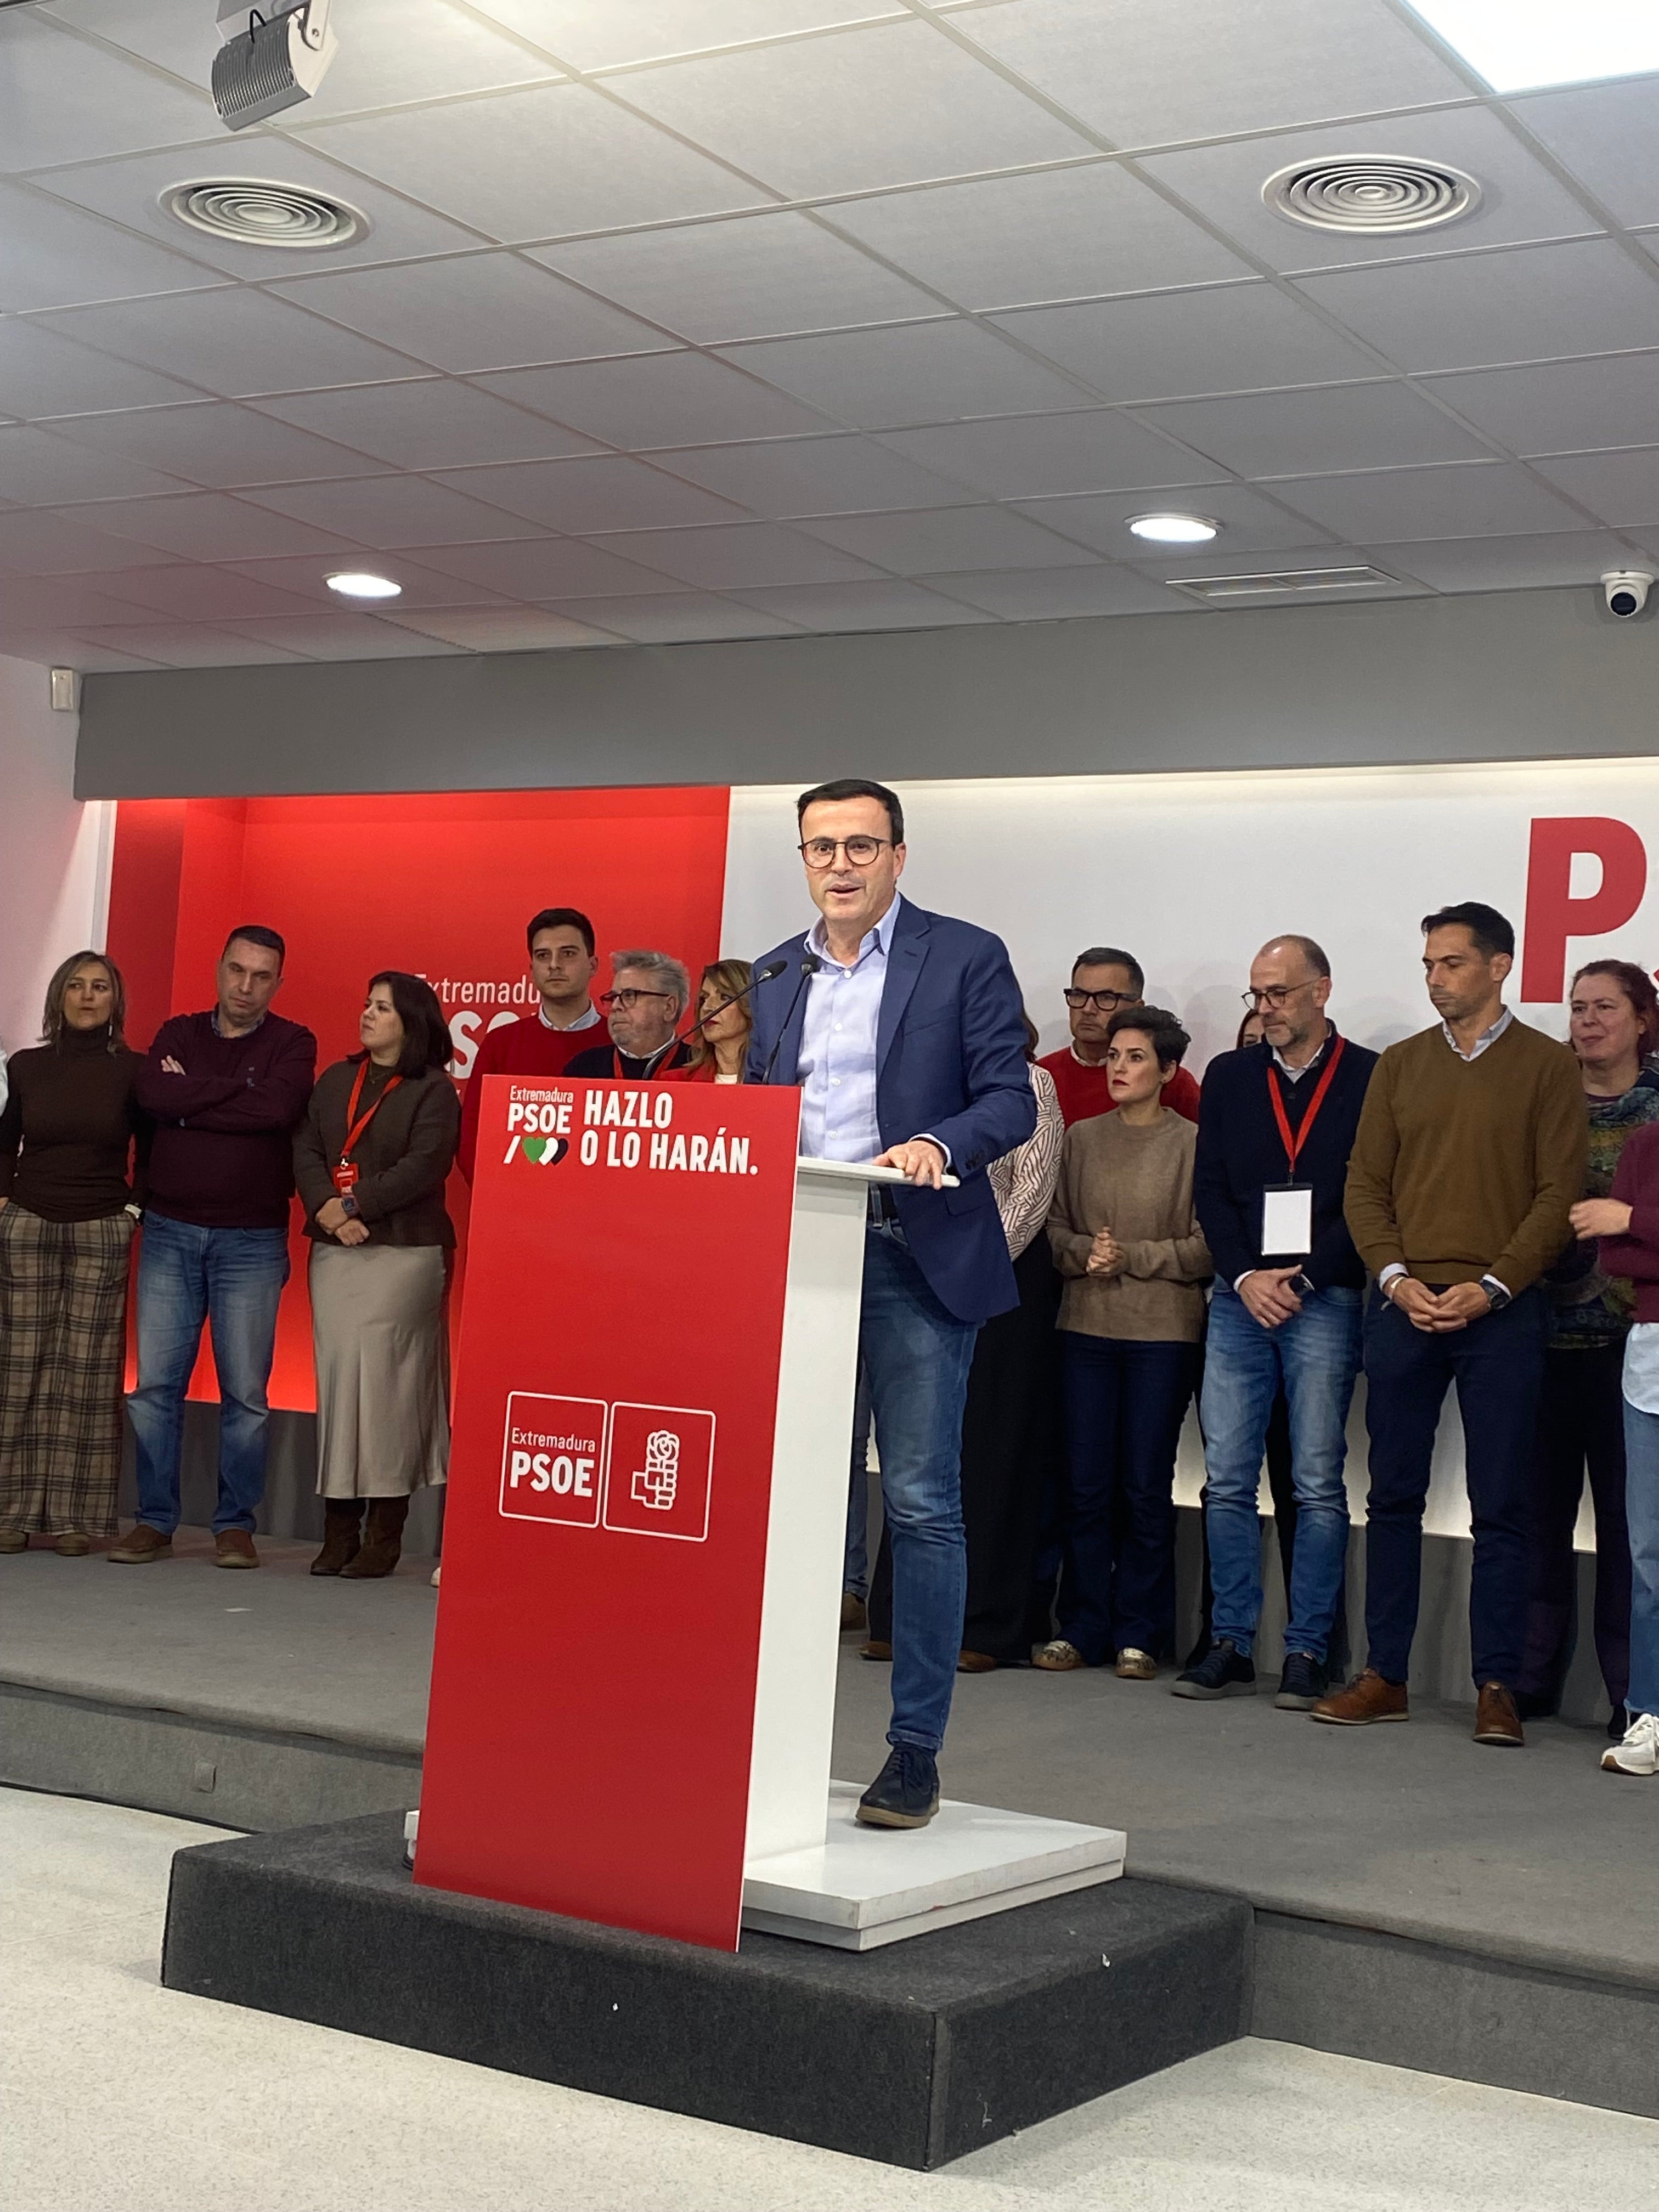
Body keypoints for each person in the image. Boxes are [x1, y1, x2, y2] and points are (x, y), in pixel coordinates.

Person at [747, 778, 1035, 1829]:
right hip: (798, 1261)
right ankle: (764, 1731)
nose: (840, 864)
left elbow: (1009, 1096)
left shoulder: (963, 955)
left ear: (898, 858)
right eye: (820, 847)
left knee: (917, 1504)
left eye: (860, 845)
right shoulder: (776, 973)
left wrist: (937, 1144)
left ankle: (912, 1749)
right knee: (791, 1504)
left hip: (913, 1258)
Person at [1323, 901, 1585, 1746]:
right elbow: (1365, 1186)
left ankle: (1497, 1684)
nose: (1435, 978)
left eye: (1452, 963)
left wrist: (1495, 1285)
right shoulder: (1400, 1067)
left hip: (1502, 1312)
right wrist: (1397, 1280)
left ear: (1499, 966)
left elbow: (1559, 1195)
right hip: (1403, 1307)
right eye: (1429, 964)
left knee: (1503, 1503)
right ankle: (1384, 1674)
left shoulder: (1547, 1067)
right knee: (1391, 1495)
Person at [1178, 936, 1376, 1707]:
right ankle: (1229, 1640)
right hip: (1239, 1296)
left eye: (1281, 994)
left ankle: (1307, 1649)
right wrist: (1245, 1275)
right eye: (1257, 995)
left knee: (1317, 1481)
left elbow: (1372, 1195)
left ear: (1322, 990)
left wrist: (1308, 1276)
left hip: (1323, 1295)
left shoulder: (1368, 1076)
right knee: (1226, 1478)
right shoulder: (1231, 1076)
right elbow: (1212, 1191)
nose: (1266, 1009)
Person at [864, 1014, 1065, 1669]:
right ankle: (895, 1616)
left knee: (988, 1448)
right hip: (917, 1275)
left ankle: (984, 1625)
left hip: (997, 1281)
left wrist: (961, 1264)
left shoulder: (1033, 1087)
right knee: (914, 1449)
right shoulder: (922, 1086)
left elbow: (1030, 1197)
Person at [118, 927, 317, 1570]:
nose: (246, 987)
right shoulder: (178, 1033)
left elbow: (277, 1109)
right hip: (171, 1231)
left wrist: (192, 1100)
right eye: (237, 971)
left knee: (248, 1397)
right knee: (155, 1389)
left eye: (262, 976)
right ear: (219, 968)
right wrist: (234, 1094)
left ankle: (236, 1525)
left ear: (278, 983)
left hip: (252, 1241)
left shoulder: (293, 1042)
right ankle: (154, 1520)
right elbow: (154, 1096)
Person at [1040, 1007, 1210, 1678]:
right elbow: (1051, 1231)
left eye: (1135, 1057)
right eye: (1114, 1056)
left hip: (1162, 1333)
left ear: (1168, 1071)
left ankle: (1139, 1631)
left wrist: (1131, 1257)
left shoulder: (1193, 1143)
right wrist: (1087, 1254)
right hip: (1084, 1326)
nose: (1118, 1068)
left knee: (1144, 1484)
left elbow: (1206, 1249)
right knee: (1084, 1485)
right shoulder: (1080, 1138)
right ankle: (1081, 1624)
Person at [1521, 961, 1659, 1729]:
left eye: (1606, 1007)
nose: (1588, 1021)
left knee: (1629, 1530)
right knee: (1537, 1515)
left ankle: (1630, 1692)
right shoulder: (1542, 1095)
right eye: (1578, 1008)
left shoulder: (1658, 1107)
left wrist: (1623, 1220)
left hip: (1632, 1344)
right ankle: (1532, 1675)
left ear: (1642, 1018)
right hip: (1538, 1333)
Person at [294, 973, 460, 1580]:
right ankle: (338, 1529)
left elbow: (425, 1165)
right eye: (367, 1003)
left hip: (405, 1255)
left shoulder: (434, 1090)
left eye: (382, 1007)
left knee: (390, 1393)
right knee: (340, 1387)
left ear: (411, 1022)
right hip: (335, 1251)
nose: (367, 1014)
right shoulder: (338, 1080)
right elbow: (308, 1149)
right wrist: (328, 1211)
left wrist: (356, 1205)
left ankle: (384, 1534)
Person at [0, 953, 146, 1555]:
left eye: (101, 988)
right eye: (77, 987)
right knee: (18, 1369)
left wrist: (132, 1213)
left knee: (86, 1373)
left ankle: (74, 1518)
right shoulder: (27, 1065)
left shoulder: (134, 1072)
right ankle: (10, 1513)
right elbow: (6, 1140)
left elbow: (155, 1151)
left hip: (102, 1226)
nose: (88, 997)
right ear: (59, 996)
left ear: (116, 1001)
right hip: (29, 1222)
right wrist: (5, 1204)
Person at [1583, 1125, 1659, 1775]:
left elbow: (1629, 1235)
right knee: (1648, 1553)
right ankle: (1649, 1715)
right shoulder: (1645, 1146)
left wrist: (1634, 1218)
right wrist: (1628, 1233)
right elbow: (1617, 1260)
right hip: (1651, 1361)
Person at [458, 908, 600, 1180]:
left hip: (597, 1211)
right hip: (512, 1208)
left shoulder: (619, 1043)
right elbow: (473, 1141)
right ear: (532, 968)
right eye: (543, 955)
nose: (554, 965)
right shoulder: (501, 1044)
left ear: (593, 965)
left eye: (568, 954)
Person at [1038, 948, 1201, 1129]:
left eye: (1106, 998)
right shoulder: (1040, 1077)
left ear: (1136, 1008)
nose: (1088, 1009)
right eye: (1079, 995)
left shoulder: (1168, 1081)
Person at [566, 951, 693, 1080]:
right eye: (614, 997)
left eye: (629, 995)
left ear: (669, 1008)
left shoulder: (700, 1067)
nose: (615, 1006)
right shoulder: (583, 1068)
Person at [682, 958, 753, 1083]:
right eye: (704, 998)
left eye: (725, 997)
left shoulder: (781, 1083)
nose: (707, 1007)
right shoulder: (677, 1082)